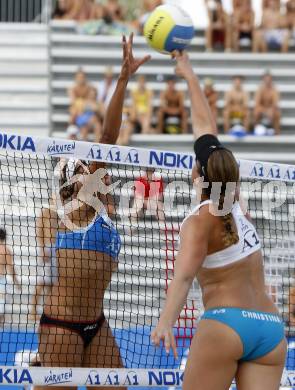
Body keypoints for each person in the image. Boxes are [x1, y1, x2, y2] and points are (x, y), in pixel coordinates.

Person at [151, 50, 286, 390]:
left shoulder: (200, 221)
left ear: (196, 172)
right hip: (270, 329)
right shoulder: (237, 207)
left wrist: (166, 321)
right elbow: (206, 130)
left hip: (227, 325)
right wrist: (190, 75)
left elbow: (182, 278)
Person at [36, 34, 150, 390]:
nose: (98, 169)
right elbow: (108, 137)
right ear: (73, 181)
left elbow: (110, 137)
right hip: (61, 325)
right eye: (88, 166)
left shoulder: (99, 206)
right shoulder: (64, 211)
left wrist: (123, 79)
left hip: (96, 324)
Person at [30, 199, 59, 322]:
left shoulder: (59, 214)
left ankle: (47, 312)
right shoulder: (45, 213)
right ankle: (32, 312)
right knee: (41, 283)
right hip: (47, 248)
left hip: (57, 249)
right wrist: (42, 249)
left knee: (52, 285)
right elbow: (39, 232)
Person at [0, 228, 20, 321]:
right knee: (1, 311)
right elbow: (10, 268)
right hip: (1, 283)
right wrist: (16, 283)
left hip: (2, 282)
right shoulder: (5, 250)